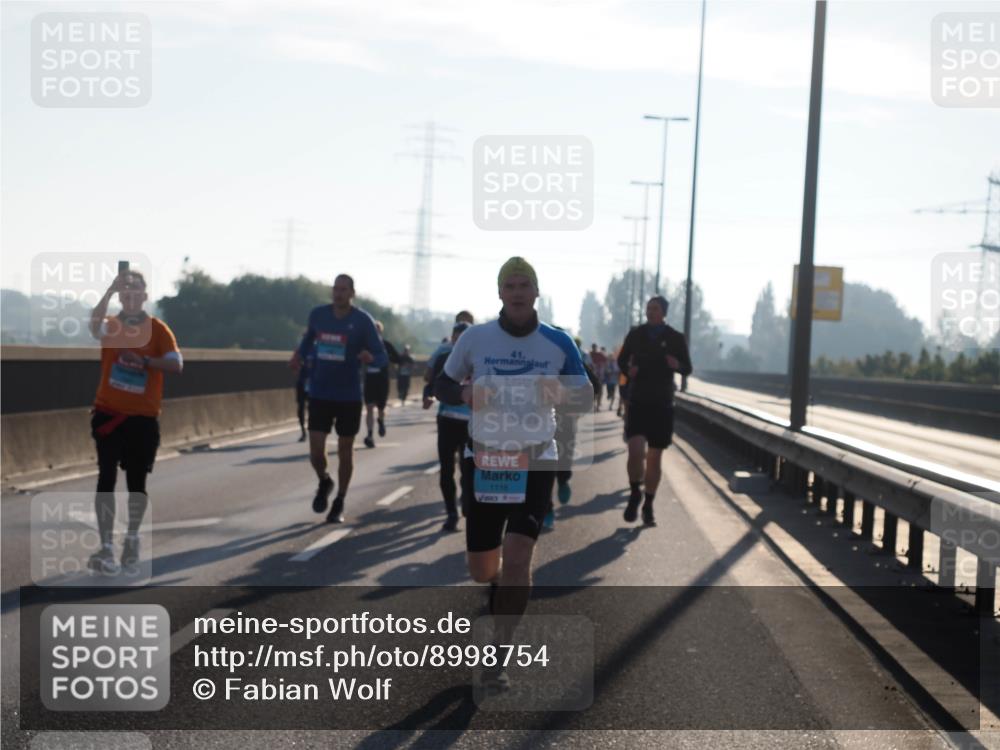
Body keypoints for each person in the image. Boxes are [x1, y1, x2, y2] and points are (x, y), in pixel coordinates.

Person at [434, 257, 589, 690]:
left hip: (536, 459)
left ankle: (498, 654)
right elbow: (440, 384)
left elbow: (585, 395)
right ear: (499, 293)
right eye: (510, 285)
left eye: (525, 285)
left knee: (519, 554)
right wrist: (464, 391)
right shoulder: (476, 339)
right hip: (485, 458)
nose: (518, 292)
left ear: (536, 292)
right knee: (483, 569)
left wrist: (562, 392)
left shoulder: (557, 343)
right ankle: (495, 583)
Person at [87, 270, 183, 575]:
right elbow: (93, 325)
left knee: (136, 483)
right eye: (124, 293)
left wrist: (145, 362)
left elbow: (176, 364)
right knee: (106, 478)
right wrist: (108, 290)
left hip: (142, 419)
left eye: (135, 292)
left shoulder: (157, 330)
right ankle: (106, 546)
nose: (130, 297)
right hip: (109, 414)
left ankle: (132, 538)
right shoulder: (112, 326)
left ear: (144, 296)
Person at [290, 274, 388, 523]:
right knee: (315, 451)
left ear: (352, 293)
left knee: (345, 450)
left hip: (349, 396)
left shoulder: (362, 321)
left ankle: (340, 500)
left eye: (343, 289)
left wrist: (369, 357)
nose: (338, 293)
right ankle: (325, 480)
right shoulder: (319, 315)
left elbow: (381, 356)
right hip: (321, 392)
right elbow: (308, 340)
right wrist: (298, 356)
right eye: (335, 288)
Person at [617, 295, 692, 527]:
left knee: (655, 457)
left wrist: (676, 365)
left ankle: (648, 504)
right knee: (635, 450)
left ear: (664, 312)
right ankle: (634, 492)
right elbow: (621, 361)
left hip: (662, 404)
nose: (651, 312)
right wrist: (630, 370)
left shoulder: (675, 338)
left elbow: (688, 368)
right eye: (649, 308)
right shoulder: (636, 334)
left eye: (655, 308)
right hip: (638, 400)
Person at [543, 335, 600, 530]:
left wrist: (577, 405)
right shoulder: (541, 362)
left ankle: (564, 480)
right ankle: (547, 508)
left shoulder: (576, 366)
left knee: (564, 459)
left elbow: (595, 387)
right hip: (540, 423)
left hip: (566, 419)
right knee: (544, 466)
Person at [423, 321, 472, 532]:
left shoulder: (479, 361)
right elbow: (431, 384)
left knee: (468, 471)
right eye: (456, 339)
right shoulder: (445, 359)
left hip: (472, 424)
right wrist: (428, 396)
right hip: (447, 421)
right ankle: (451, 513)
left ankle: (467, 503)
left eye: (464, 340)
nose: (459, 343)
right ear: (452, 339)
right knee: (446, 470)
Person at [363, 321, 399, 448]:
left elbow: (398, 358)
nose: (375, 331)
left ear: (380, 331)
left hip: (382, 380)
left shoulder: (386, 345)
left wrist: (385, 357)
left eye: (377, 329)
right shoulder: (365, 345)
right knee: (369, 407)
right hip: (370, 379)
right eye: (373, 329)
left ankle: (381, 421)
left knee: (380, 408)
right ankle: (370, 435)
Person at [294, 336, 315, 442]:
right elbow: (294, 365)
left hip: (313, 383)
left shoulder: (317, 349)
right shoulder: (300, 351)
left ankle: (312, 430)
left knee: (312, 408)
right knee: (301, 407)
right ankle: (303, 431)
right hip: (302, 382)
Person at [589, 343, 607, 409]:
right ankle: (594, 404)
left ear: (596, 347)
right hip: (592, 376)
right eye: (593, 347)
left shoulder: (600, 354)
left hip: (599, 375)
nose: (594, 348)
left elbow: (606, 362)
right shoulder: (589, 355)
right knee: (593, 390)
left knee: (600, 390)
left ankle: (598, 404)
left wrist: (603, 368)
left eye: (595, 347)